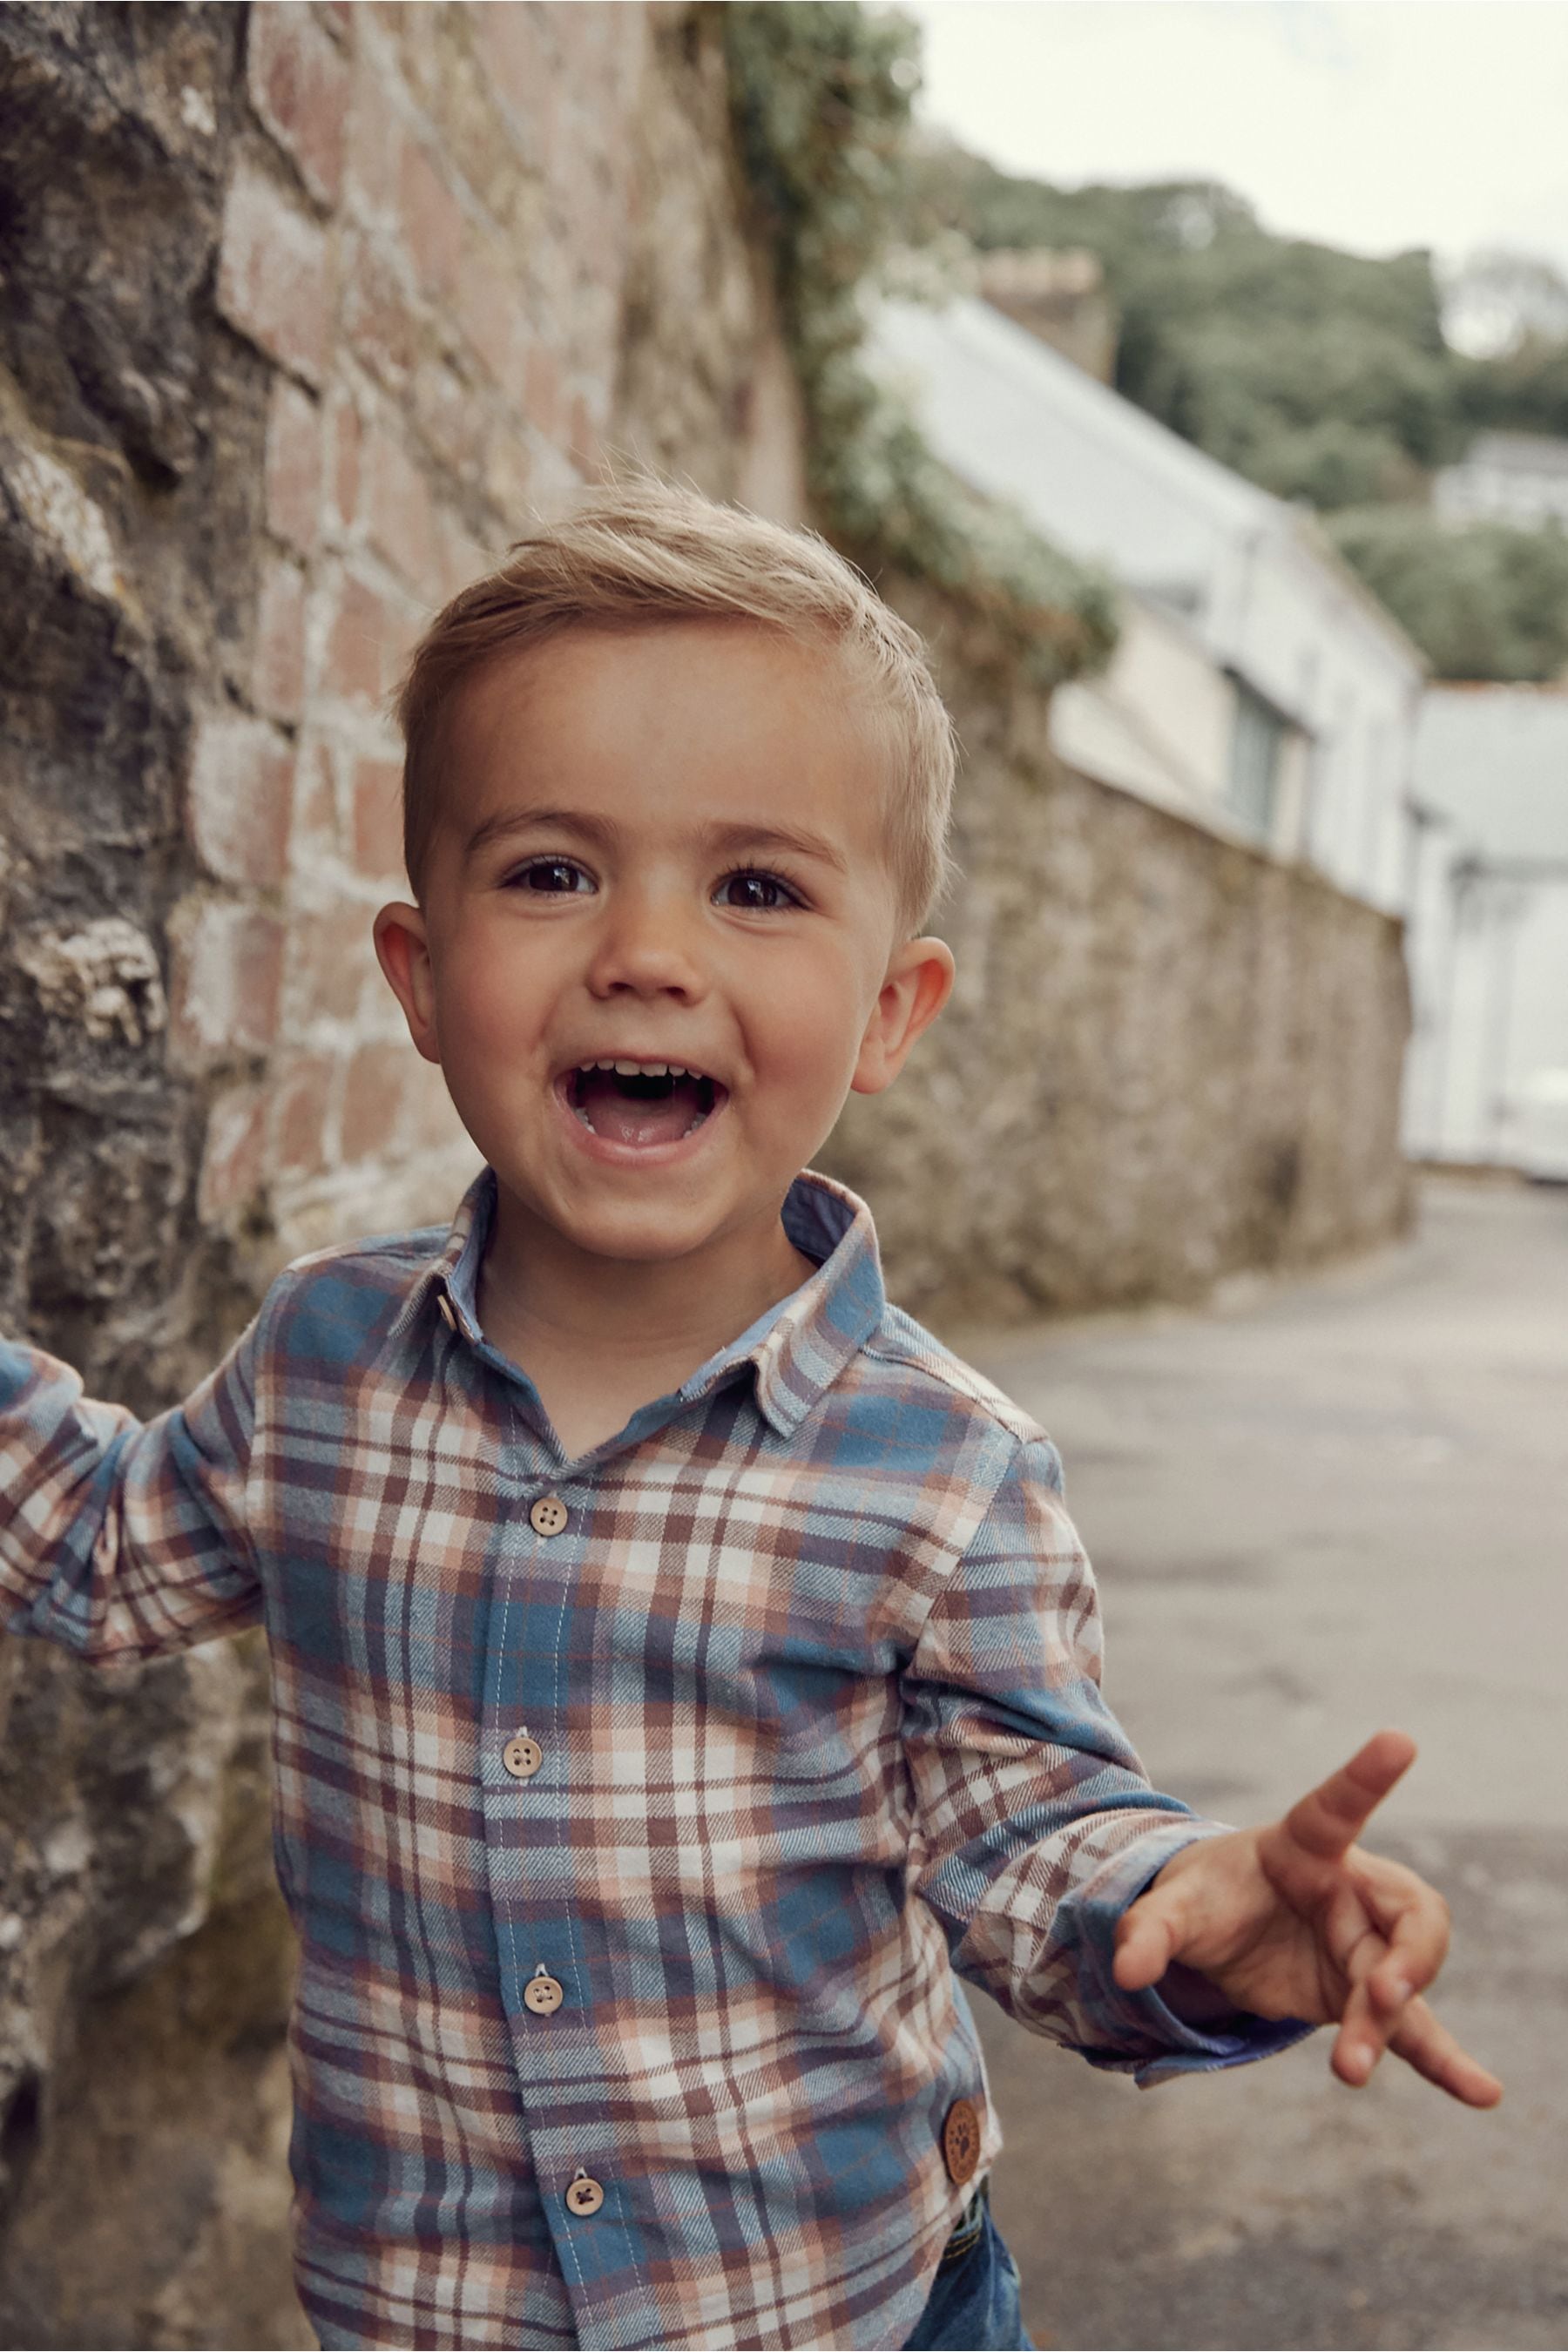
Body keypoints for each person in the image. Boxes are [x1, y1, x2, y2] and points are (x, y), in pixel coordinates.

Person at [0, 483, 1499, 2352]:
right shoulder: (321, 1367)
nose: (646, 949)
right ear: (418, 980)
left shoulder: (942, 1475)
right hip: (423, 2312)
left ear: (889, 1010)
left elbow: (1031, 1840)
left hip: (836, 2312)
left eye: (757, 887)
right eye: (550, 871)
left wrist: (1198, 1923)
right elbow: (93, 1548)